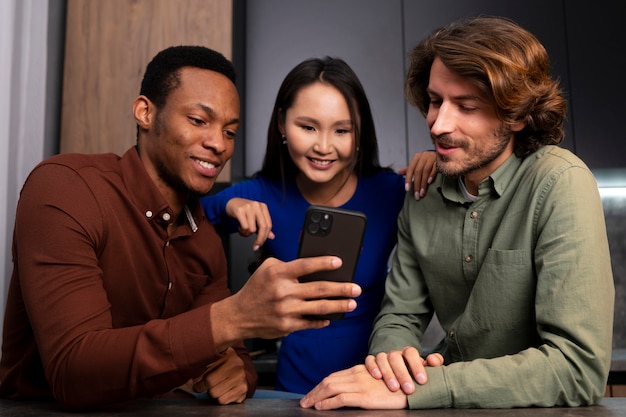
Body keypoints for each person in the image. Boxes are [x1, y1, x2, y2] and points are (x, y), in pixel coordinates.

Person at [0, 45, 363, 410]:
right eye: (198, 120)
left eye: (231, 132)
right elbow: (73, 371)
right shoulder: (67, 188)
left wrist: (238, 374)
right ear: (145, 112)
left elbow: (234, 357)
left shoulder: (204, 238)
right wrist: (232, 318)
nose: (218, 144)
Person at [300, 15, 614, 410]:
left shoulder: (560, 182)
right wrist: (392, 366)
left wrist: (428, 387)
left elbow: (577, 369)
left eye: (466, 106)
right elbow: (399, 316)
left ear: (516, 115)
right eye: (434, 101)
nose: (437, 123)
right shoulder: (423, 192)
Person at [201, 57, 438, 394]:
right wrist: (228, 203)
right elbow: (182, 219)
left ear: (359, 134)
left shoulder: (389, 191)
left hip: (375, 384)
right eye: (308, 127)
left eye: (341, 130)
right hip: (294, 390)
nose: (323, 147)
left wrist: (437, 160)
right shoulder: (263, 192)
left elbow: (464, 203)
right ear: (282, 124)